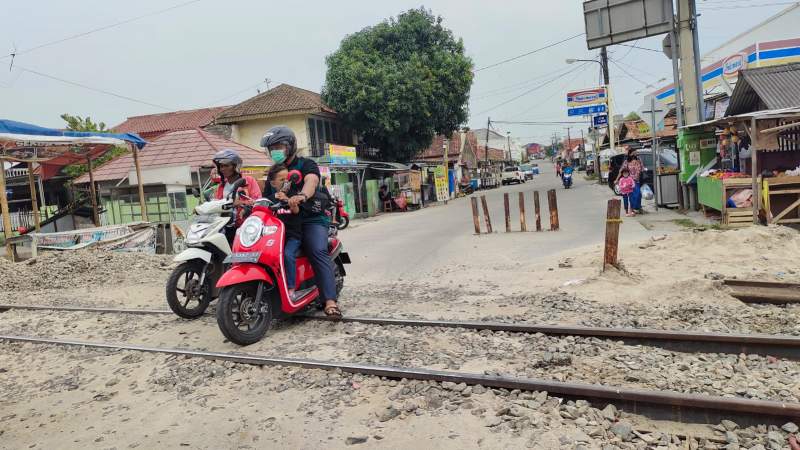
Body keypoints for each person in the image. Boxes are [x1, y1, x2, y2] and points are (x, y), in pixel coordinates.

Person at [260, 126, 341, 317]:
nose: (275, 151)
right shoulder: (273, 172)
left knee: (317, 250)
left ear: (290, 146)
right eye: (272, 148)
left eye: (278, 147)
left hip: (311, 218)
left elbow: (311, 181)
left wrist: (303, 195)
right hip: (284, 222)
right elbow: (266, 198)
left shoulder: (306, 164)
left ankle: (330, 301)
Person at [265, 164, 303, 300]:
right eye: (281, 180)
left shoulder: (293, 196)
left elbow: (296, 211)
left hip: (292, 236)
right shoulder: (269, 199)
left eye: (287, 179)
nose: (285, 182)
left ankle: (291, 288)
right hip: (275, 238)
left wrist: (288, 200)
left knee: (287, 254)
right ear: (272, 183)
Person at [211, 149, 262, 242]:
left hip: (246, 227)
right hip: (225, 226)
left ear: (235, 166)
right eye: (221, 166)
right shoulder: (221, 186)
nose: (222, 169)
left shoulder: (248, 181)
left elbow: (258, 202)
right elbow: (216, 205)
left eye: (226, 165)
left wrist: (241, 203)